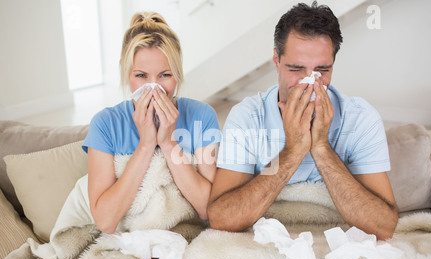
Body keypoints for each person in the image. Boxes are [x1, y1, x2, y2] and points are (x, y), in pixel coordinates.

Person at [207, 2, 398, 240]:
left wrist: (320, 146)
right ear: (276, 60)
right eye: (296, 68)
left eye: (322, 70)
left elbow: (384, 226)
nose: (309, 82)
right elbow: (221, 218)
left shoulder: (361, 118)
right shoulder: (246, 117)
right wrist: (293, 151)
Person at [82, 12, 220, 234]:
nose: (154, 88)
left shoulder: (202, 116)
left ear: (178, 71)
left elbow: (208, 209)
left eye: (165, 75)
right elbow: (106, 222)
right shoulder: (105, 124)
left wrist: (168, 143)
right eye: (141, 76)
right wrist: (146, 145)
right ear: (125, 71)